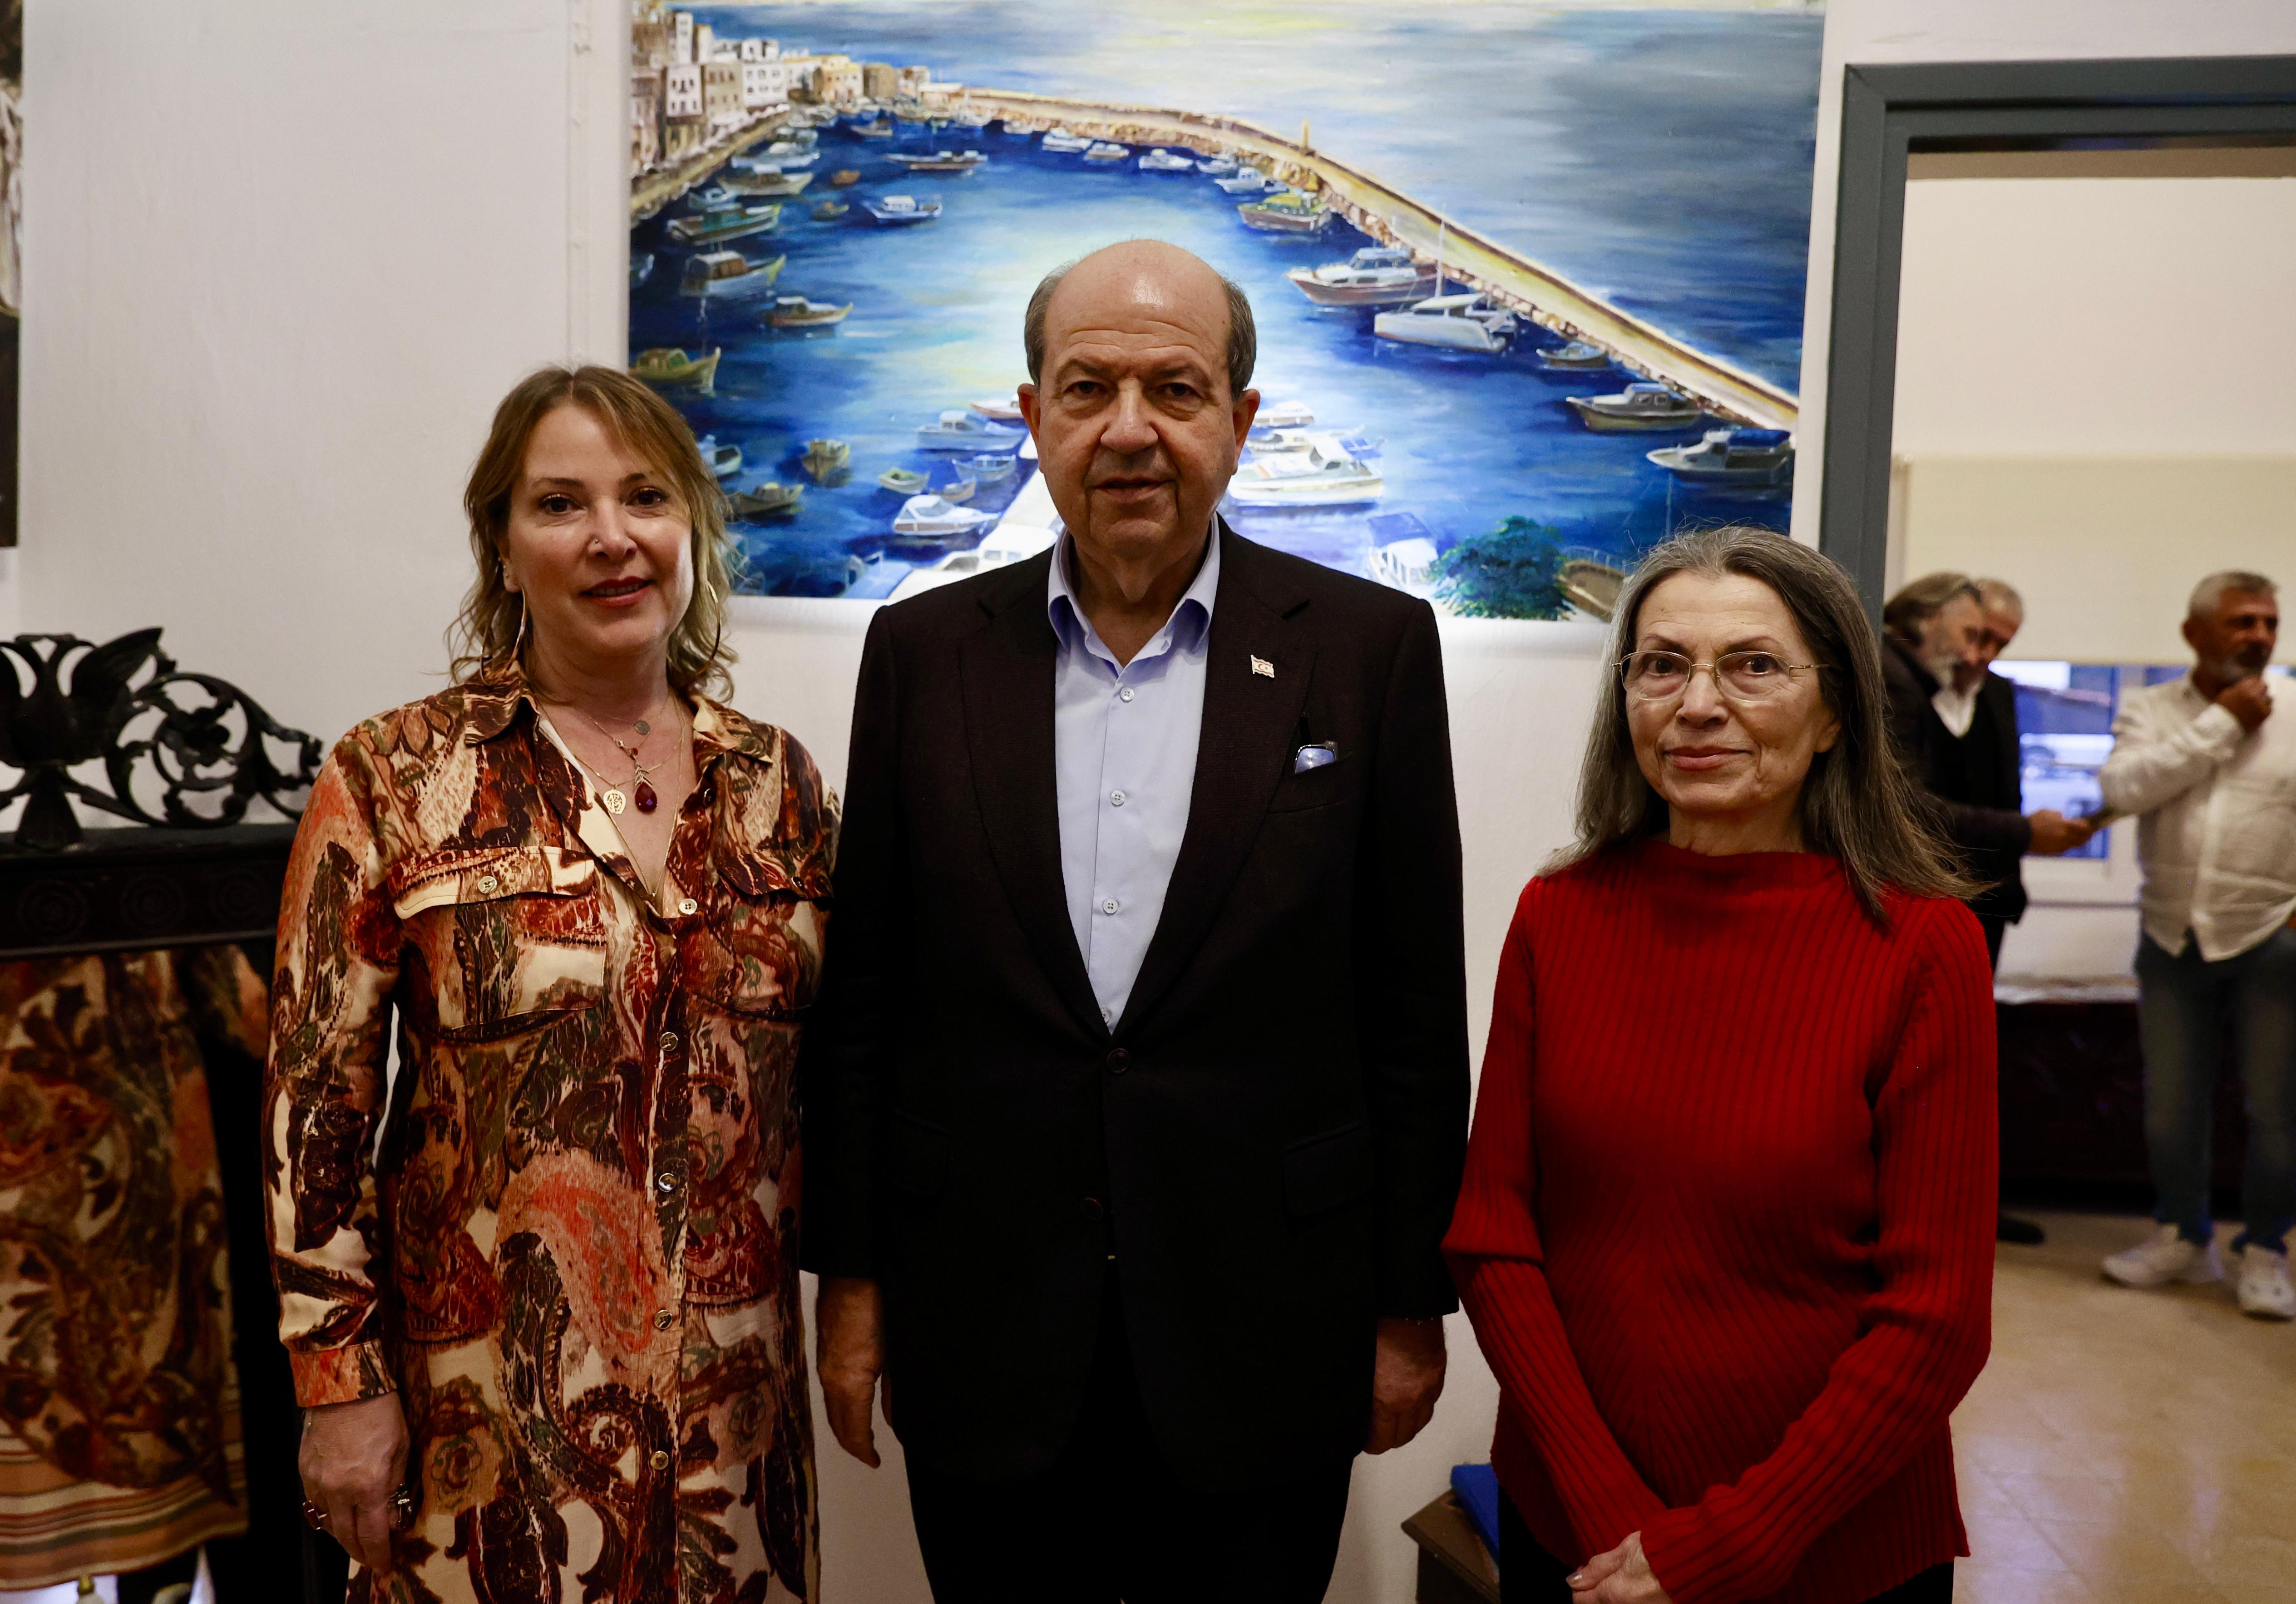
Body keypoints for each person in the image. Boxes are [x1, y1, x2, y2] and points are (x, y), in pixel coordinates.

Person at [802, 240, 1468, 1603]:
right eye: (1086, 387)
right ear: (1032, 413)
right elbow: (868, 991)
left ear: (1241, 417)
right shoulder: (922, 652)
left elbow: (1412, 1008)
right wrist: (851, 1280)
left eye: (1174, 388)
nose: (1128, 430)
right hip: (983, 1315)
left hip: (1265, 1321)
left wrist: (1410, 1302)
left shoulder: (1370, 649)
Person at [265, 366, 834, 1598]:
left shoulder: (778, 785)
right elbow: (313, 1114)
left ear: (691, 527)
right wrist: (339, 1389)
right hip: (481, 1436)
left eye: (646, 496)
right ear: (504, 547)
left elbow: (844, 1082)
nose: (611, 536)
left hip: (734, 1440)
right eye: (561, 504)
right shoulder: (395, 776)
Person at [1447, 527, 1996, 1604]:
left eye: (1753, 666)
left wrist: (1732, 1541)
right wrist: (1613, 1517)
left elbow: (1936, 1320)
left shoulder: (1925, 947)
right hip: (1579, 1535)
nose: (1698, 705)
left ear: (1835, 714)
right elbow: (1494, 1236)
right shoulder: (1557, 915)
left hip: (1828, 1548)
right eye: (1662, 666)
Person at [2098, 571, 2294, 1321]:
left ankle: (2265, 1248)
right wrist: (2222, 724)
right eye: (2241, 621)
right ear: (2193, 633)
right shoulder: (2149, 709)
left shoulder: (2295, 710)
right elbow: (2122, 790)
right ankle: (2183, 1236)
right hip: (2169, 937)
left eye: (2268, 622)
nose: (2259, 635)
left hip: (2272, 937)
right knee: (2170, 1109)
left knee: (2277, 1110)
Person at [1881, 571, 2091, 1245]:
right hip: (1916, 895)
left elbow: (2006, 786)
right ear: (1928, 622)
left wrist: (2014, 860)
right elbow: (1908, 809)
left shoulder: (1993, 691)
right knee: (1912, 1065)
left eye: (1998, 643)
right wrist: (2026, 833)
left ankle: (1964, 1203)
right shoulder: (1894, 678)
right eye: (1976, 636)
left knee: (1964, 1064)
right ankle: (1919, 1210)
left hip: (1985, 898)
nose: (1983, 654)